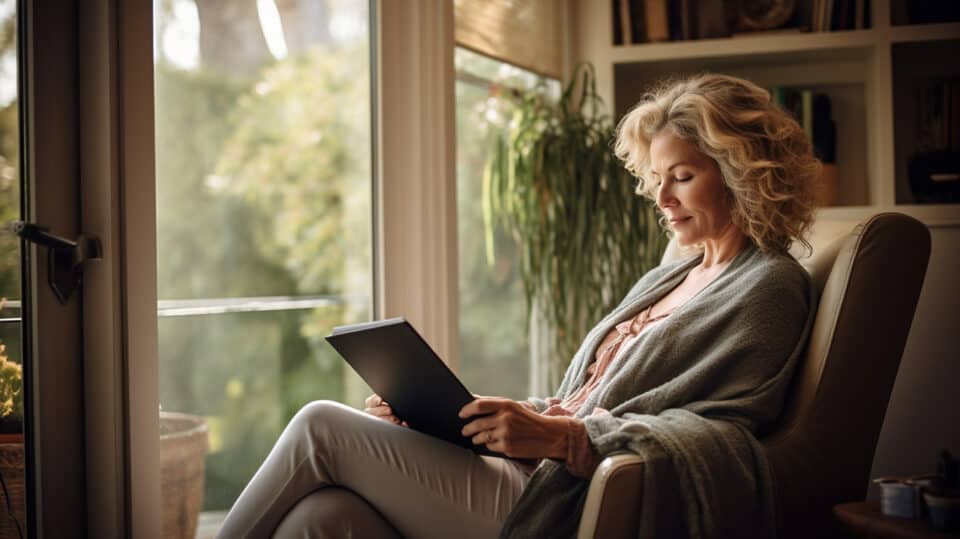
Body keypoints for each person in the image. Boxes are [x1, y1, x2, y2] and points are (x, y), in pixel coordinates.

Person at [217, 73, 819, 539]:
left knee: (320, 425)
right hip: (532, 471)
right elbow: (588, 398)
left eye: (682, 177)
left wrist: (563, 440)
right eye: (656, 177)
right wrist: (462, 417)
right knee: (322, 518)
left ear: (741, 173)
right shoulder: (671, 275)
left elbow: (725, 430)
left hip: (569, 496)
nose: (660, 196)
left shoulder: (768, 284)